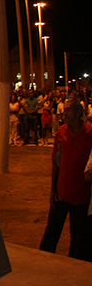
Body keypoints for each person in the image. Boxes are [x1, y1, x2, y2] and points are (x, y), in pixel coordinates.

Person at [38, 97, 92, 257]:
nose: (64, 113)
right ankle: (43, 260)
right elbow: (56, 161)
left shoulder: (89, 133)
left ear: (79, 112)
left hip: (80, 193)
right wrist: (53, 188)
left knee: (78, 236)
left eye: (68, 110)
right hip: (61, 191)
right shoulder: (61, 132)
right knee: (52, 231)